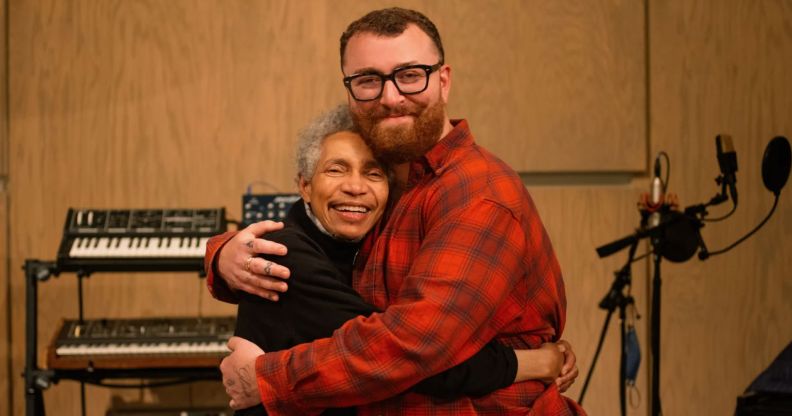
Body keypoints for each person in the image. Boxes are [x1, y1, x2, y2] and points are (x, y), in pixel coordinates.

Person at [210, 7, 585, 414]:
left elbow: (413, 345)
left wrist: (268, 379)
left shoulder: (478, 193)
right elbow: (305, 242)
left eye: (409, 75)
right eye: (369, 80)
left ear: (443, 82)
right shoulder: (395, 185)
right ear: (351, 91)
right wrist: (222, 254)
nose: (391, 97)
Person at [233, 105, 573, 415]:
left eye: (373, 173)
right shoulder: (286, 254)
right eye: (336, 170)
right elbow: (405, 359)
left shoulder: (362, 247)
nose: (355, 187)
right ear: (305, 186)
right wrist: (535, 362)